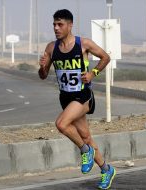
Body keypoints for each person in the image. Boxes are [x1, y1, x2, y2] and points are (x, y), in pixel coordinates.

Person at [38, 9, 116, 189]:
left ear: (70, 25)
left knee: (61, 124)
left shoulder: (83, 44)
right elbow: (43, 75)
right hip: (65, 97)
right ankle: (106, 169)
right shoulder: (51, 48)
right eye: (54, 25)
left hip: (82, 95)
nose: (56, 28)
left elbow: (106, 57)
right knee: (86, 136)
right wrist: (42, 67)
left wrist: (93, 73)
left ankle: (85, 151)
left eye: (60, 24)